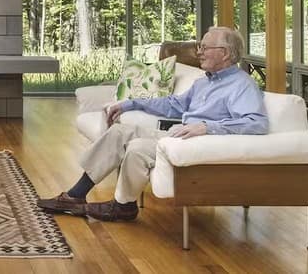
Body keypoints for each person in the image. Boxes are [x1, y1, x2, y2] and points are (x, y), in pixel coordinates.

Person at [37, 26, 267, 221]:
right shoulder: (204, 82)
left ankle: (123, 206)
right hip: (178, 136)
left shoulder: (241, 85)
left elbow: (256, 123)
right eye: (201, 46)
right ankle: (76, 194)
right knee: (119, 132)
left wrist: (207, 127)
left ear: (225, 53)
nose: (200, 52)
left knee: (137, 148)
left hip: (199, 143)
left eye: (205, 47)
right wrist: (129, 104)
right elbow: (173, 105)